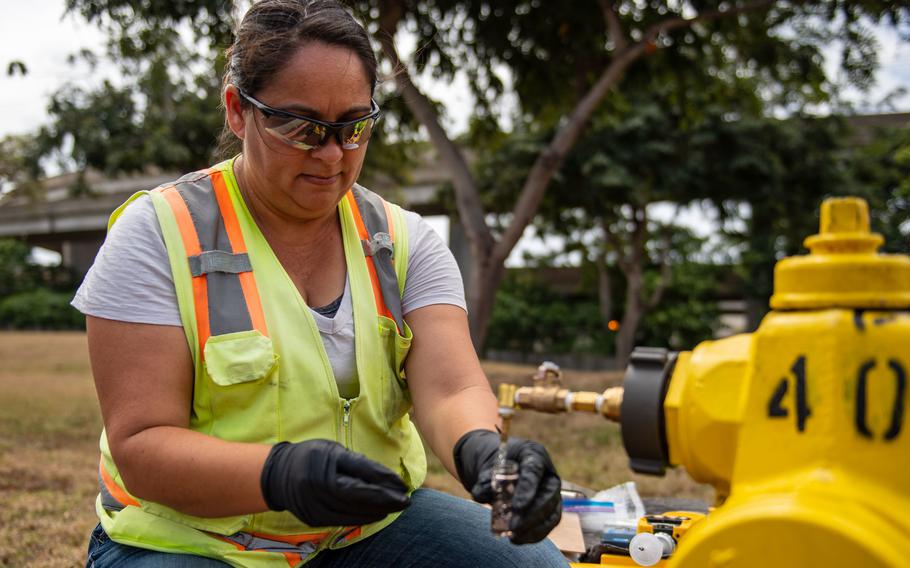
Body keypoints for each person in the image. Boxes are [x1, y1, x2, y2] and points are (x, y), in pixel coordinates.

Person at [73, 1, 567, 566]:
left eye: (354, 126)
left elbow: (451, 389)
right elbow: (142, 445)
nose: (333, 154)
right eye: (302, 127)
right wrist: (280, 475)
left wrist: (483, 452)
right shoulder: (158, 234)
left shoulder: (403, 242)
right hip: (192, 541)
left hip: (358, 532)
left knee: (535, 565)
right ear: (238, 111)